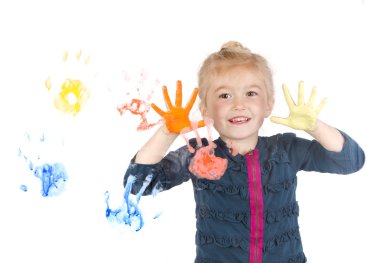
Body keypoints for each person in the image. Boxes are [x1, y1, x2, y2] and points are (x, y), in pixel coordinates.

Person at [123, 41, 365, 263]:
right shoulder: (199, 153)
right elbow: (137, 184)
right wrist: (166, 132)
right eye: (225, 95)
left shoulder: (286, 150)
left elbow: (350, 160)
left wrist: (315, 127)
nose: (238, 104)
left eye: (250, 93)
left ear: (268, 104)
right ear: (206, 110)